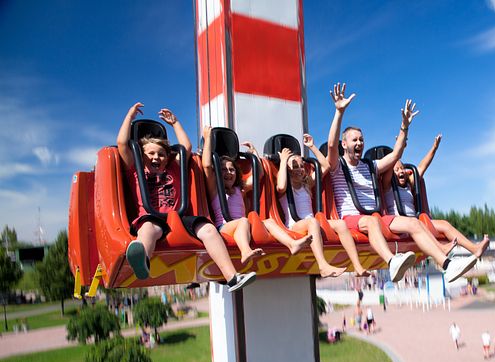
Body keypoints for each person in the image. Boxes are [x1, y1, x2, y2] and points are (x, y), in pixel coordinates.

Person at [326, 82, 476, 283]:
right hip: (351, 218)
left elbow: (396, 153)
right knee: (371, 221)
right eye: (354, 140)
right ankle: (391, 261)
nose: (360, 143)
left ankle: (447, 265)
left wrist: (404, 126)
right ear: (344, 144)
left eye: (362, 139)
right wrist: (339, 112)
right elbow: (330, 144)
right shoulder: (337, 165)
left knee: (414, 223)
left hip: (377, 217)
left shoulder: (371, 166)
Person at [117, 103, 254, 292]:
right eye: (151, 154)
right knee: (148, 229)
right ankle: (142, 260)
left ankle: (232, 277)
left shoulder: (173, 168)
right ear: (142, 155)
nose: (156, 158)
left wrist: (175, 123)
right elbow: (122, 144)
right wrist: (130, 116)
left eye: (161, 154)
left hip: (179, 217)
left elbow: (186, 147)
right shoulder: (136, 169)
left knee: (208, 229)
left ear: (168, 157)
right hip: (152, 217)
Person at [201, 126, 314, 263]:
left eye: (232, 170)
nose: (228, 173)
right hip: (224, 227)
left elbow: (258, 175)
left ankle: (292, 244)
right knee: (243, 220)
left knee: (269, 222)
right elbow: (207, 166)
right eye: (224, 170)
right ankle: (245, 251)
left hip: (243, 226)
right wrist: (208, 139)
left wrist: (254, 152)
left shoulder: (239, 189)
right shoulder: (215, 189)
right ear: (218, 173)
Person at [276, 134, 374, 278]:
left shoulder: (307, 184)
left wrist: (311, 147)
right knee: (313, 221)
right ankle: (323, 266)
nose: (299, 169)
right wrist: (283, 161)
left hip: (312, 225)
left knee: (340, 224)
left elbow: (326, 166)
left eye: (301, 166)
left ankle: (358, 266)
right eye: (295, 166)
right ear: (288, 170)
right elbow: (280, 186)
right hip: (295, 226)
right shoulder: (286, 187)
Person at [380, 133, 490, 258]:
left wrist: (434, 148)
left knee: (444, 224)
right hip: (401, 223)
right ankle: (441, 249)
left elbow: (421, 167)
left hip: (416, 222)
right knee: (417, 224)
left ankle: (474, 248)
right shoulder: (387, 185)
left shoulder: (409, 184)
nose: (401, 171)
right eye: (397, 170)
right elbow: (392, 160)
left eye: (402, 168)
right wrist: (400, 147)